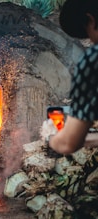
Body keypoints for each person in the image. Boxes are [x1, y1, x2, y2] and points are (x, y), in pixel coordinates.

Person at [43, 0, 98, 155]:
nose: (92, 41)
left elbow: (67, 145)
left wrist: (51, 137)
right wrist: (81, 138)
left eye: (87, 33)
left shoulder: (93, 60)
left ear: (91, 20)